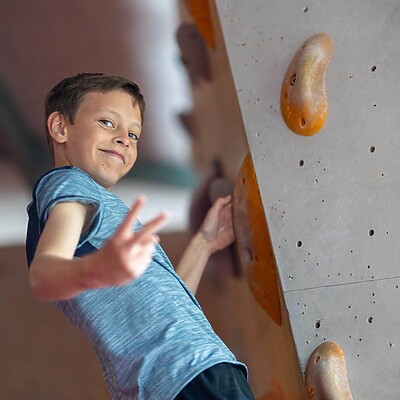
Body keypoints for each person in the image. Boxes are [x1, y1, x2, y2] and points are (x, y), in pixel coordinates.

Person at [26, 72, 255, 400]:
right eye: (107, 122)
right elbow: (43, 277)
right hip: (184, 373)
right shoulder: (68, 184)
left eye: (134, 134)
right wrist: (97, 270)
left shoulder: (89, 209)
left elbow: (165, 309)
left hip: (181, 375)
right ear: (61, 128)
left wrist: (204, 244)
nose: (124, 139)